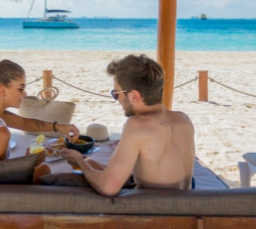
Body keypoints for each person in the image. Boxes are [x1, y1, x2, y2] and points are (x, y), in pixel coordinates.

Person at [61, 54, 195, 196]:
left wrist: (79, 161)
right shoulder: (183, 119)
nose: (116, 99)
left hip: (154, 211)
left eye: (116, 93)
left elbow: (108, 188)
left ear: (134, 96)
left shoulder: (138, 125)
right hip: (184, 207)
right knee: (93, 164)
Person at [0, 59, 79, 180]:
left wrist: (58, 126)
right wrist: (26, 163)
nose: (25, 94)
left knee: (44, 169)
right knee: (45, 170)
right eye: (20, 89)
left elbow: (25, 123)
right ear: (3, 91)